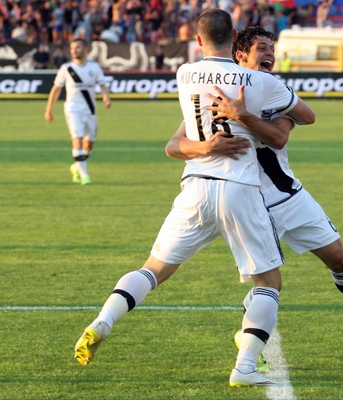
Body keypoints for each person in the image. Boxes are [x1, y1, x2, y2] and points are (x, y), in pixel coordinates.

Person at [73, 8, 315, 388]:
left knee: (153, 269)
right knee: (268, 280)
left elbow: (177, 140)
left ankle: (102, 321)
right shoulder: (255, 79)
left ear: (197, 39)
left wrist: (205, 145)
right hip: (240, 186)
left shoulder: (184, 74)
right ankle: (246, 366)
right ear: (235, 36)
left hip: (196, 183)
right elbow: (306, 115)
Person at [166, 26, 343, 370]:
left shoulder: (274, 92)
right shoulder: (210, 94)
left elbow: (284, 134)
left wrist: (244, 115)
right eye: (261, 48)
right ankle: (251, 347)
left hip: (288, 196)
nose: (270, 54)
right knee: (266, 281)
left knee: (339, 258)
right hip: (243, 199)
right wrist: (205, 145)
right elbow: (176, 144)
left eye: (272, 49)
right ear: (239, 55)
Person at [45, 38, 111, 185]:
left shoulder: (94, 67)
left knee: (89, 145)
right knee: (78, 140)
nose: (74, 50)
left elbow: (103, 86)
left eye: (77, 47)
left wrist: (106, 97)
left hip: (90, 110)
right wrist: (49, 109)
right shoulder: (66, 68)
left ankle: (76, 166)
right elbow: (56, 89)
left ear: (85, 49)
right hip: (72, 109)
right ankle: (84, 174)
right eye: (72, 48)